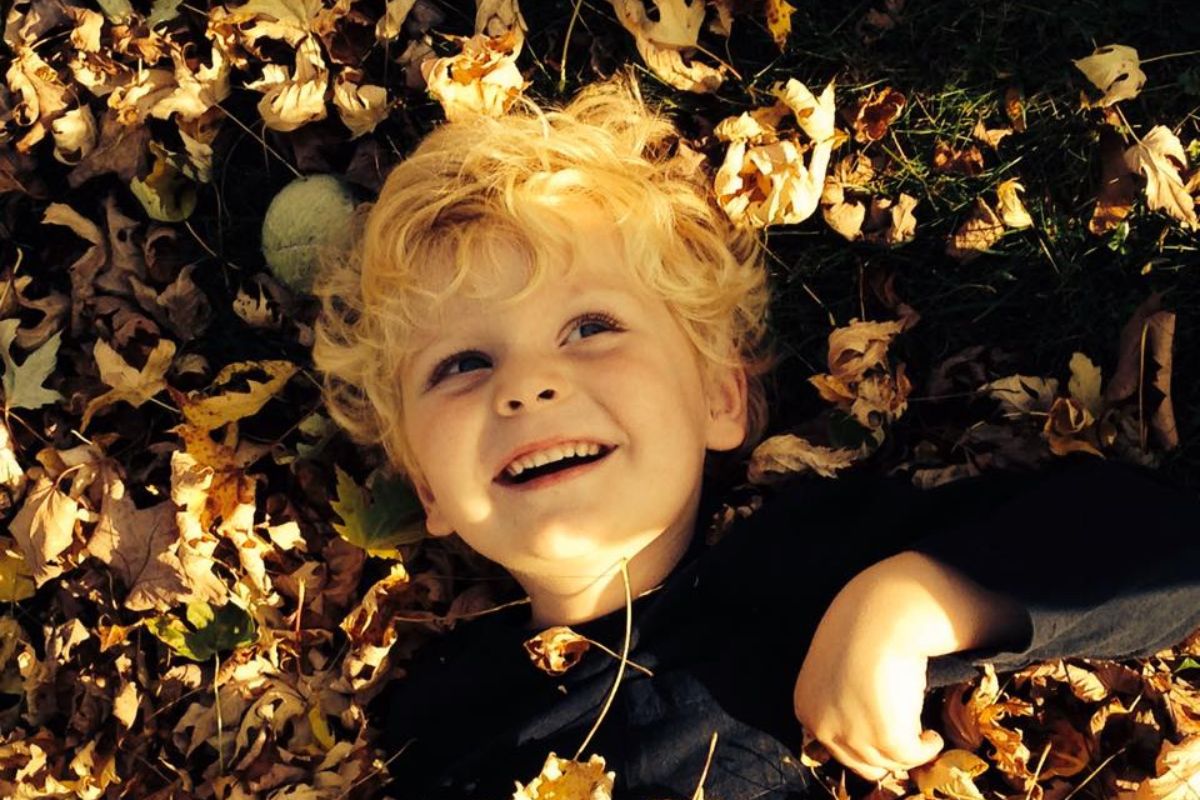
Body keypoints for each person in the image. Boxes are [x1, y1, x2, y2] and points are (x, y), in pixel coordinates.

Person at [312, 74, 1200, 799]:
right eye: (462, 363)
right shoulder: (432, 715)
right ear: (426, 487)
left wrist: (907, 607)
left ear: (717, 401)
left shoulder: (809, 566)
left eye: (590, 328)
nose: (527, 385)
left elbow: (1165, 552)